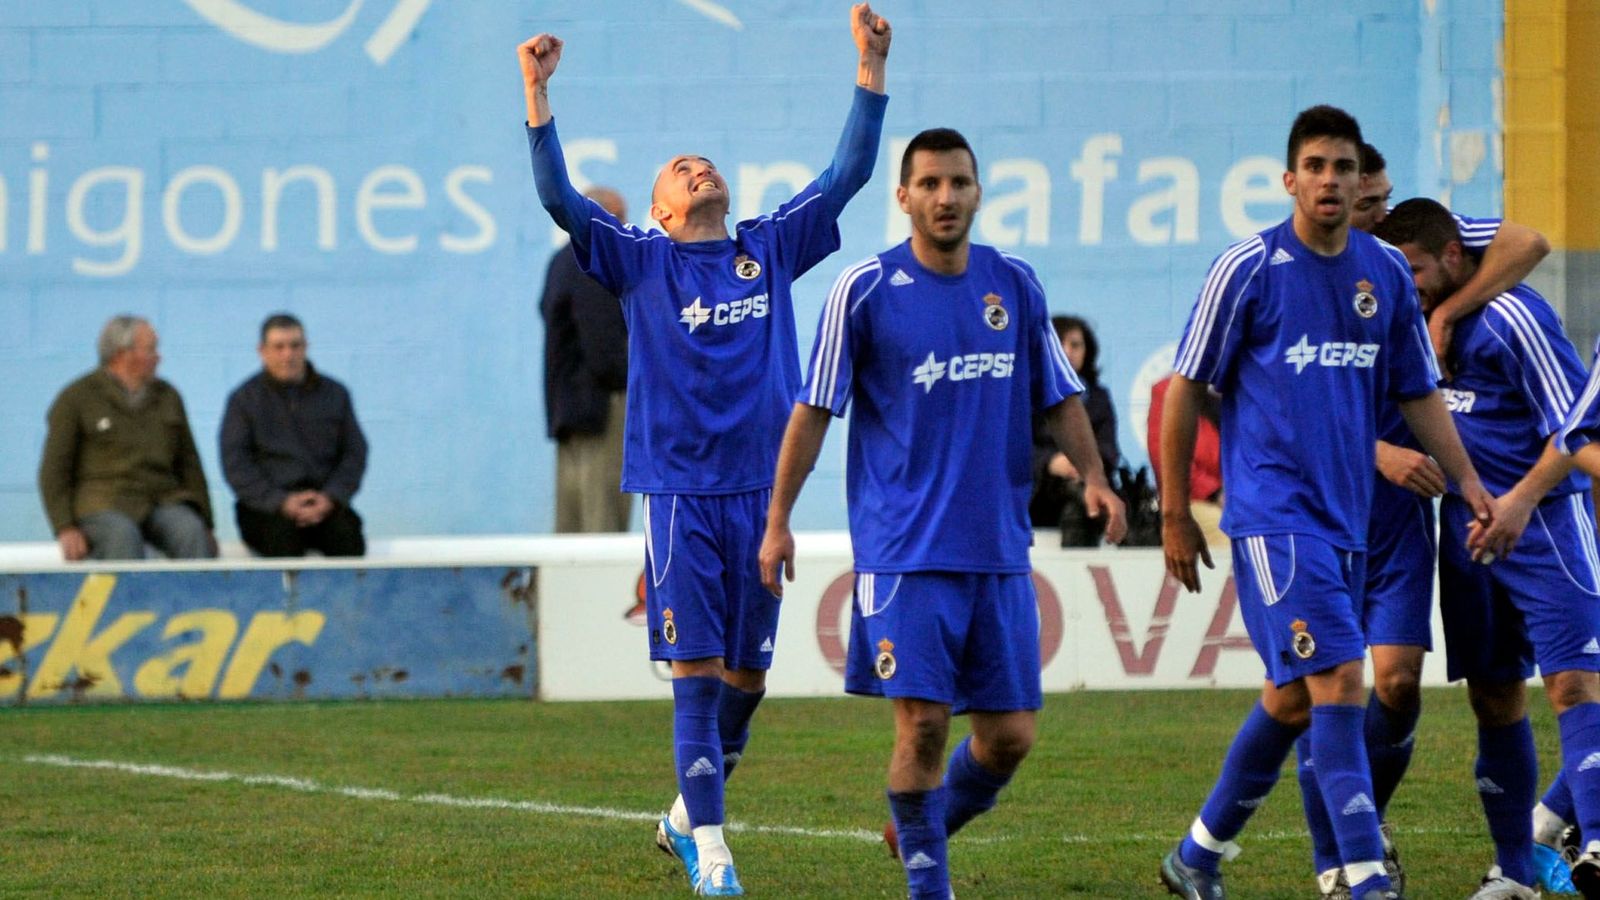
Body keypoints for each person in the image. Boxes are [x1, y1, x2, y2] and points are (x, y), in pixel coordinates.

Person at [518, 7, 890, 895]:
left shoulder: (768, 243)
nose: (699, 168)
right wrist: (537, 93)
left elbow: (847, 175)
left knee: (749, 678)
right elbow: (561, 201)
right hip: (682, 493)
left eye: (705, 162)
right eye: (680, 171)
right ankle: (713, 852)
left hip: (764, 496)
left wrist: (869, 70)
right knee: (694, 676)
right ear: (659, 208)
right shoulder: (639, 259)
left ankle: (685, 813)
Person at [759, 127, 1126, 900]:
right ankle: (931, 886)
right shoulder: (863, 291)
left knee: (1009, 737)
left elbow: (1058, 395)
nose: (945, 197)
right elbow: (814, 410)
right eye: (929, 184)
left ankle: (917, 830)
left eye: (959, 182)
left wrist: (1095, 477)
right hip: (903, 554)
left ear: (978, 191)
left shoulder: (1014, 285)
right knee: (923, 726)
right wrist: (778, 518)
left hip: (996, 550)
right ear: (903, 198)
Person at [1157, 106, 1491, 900]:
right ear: (1290, 180)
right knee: (1342, 681)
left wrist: (1471, 484)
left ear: (1360, 178)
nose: (1330, 181)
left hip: (1347, 523)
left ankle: (1196, 857)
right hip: (1276, 516)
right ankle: (1363, 877)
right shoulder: (1248, 268)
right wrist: (1174, 511)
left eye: (1343, 167)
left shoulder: (1380, 273)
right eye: (1315, 166)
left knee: (1290, 699)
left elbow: (1417, 391)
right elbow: (1184, 388)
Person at [1295, 140, 1556, 899]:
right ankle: (1337, 858)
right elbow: (1291, 400)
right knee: (1317, 691)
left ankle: (1508, 868)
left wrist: (1443, 311)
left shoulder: (1423, 273)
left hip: (1419, 517)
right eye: (1364, 201)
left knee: (1411, 683)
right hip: (1328, 508)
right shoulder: (1319, 277)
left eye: (1379, 197)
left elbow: (1526, 241)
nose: (1372, 210)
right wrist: (1380, 453)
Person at [1374, 198, 1600, 899]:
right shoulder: (1410, 325)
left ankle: (1594, 841)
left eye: (1413, 270)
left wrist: (1521, 500)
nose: (1405, 285)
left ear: (1452, 257)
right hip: (1468, 537)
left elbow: (1576, 426)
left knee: (1574, 684)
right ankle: (1515, 870)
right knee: (1495, 698)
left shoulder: (1513, 319)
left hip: (1544, 527)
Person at [38, 314, 217, 561]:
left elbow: (190, 464)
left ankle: (201, 600)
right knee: (121, 536)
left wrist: (207, 523)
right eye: (151, 350)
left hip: (162, 501)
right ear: (123, 354)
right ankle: (129, 601)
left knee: (190, 531)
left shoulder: (168, 396)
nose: (159, 357)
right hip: (103, 504)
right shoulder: (77, 398)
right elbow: (54, 471)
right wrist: (65, 526)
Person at [220, 313, 368, 558]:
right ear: (262, 350)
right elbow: (236, 464)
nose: (287, 355)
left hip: (325, 505)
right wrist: (281, 502)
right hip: (264, 509)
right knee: (283, 543)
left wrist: (330, 498)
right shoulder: (244, 400)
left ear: (306, 347)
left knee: (348, 542)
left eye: (295, 346)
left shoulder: (335, 395)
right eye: (278, 347)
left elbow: (355, 453)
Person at [542, 185, 632, 535]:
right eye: (620, 218)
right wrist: (637, 380)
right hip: (602, 408)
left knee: (572, 526)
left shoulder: (560, 261)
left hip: (570, 411)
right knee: (603, 522)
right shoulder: (593, 263)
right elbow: (605, 345)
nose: (626, 228)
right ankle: (601, 593)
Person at [1029, 315, 1120, 546]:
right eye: (1060, 344)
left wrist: (1086, 465)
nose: (1068, 352)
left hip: (1086, 488)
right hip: (1039, 491)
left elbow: (1109, 448)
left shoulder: (1100, 398)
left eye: (1075, 345)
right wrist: (1050, 462)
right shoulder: (1027, 395)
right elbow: (1015, 448)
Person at [1147, 372, 1225, 548]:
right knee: (1225, 529)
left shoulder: (1250, 387)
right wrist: (1215, 493)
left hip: (1244, 499)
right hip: (1192, 500)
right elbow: (1167, 459)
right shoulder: (1170, 390)